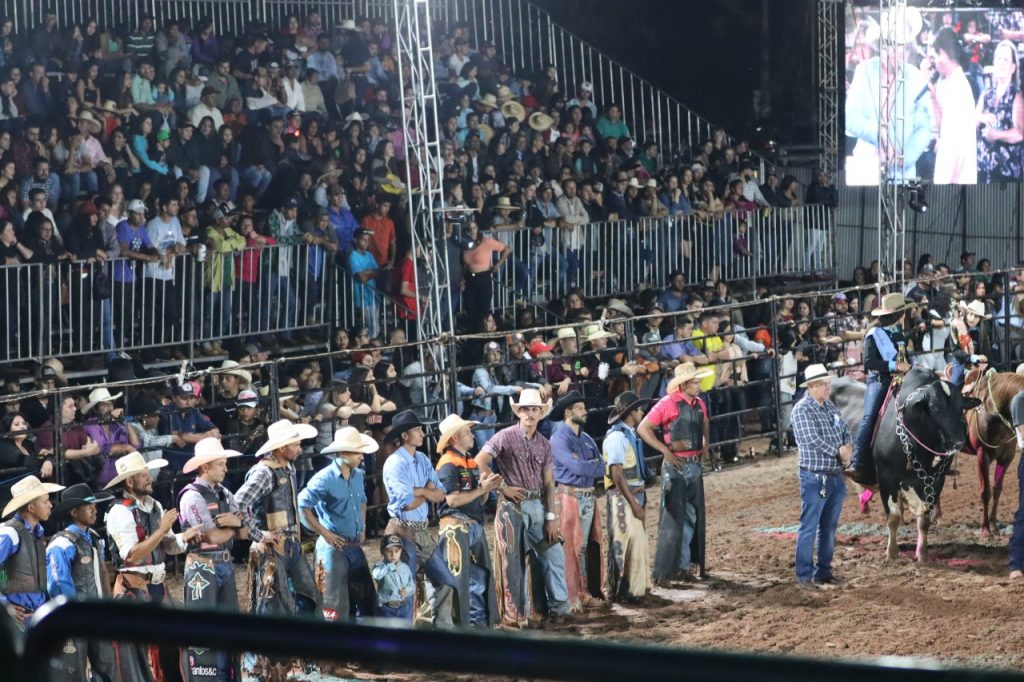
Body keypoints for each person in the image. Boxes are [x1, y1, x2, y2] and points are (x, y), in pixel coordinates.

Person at [476, 388, 571, 627]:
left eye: (534, 409)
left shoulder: (544, 444)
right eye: (525, 409)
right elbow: (480, 460)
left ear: (541, 413)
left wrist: (551, 517)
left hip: (537, 504)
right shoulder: (505, 436)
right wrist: (502, 488)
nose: (529, 413)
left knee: (553, 554)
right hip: (512, 506)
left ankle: (559, 607)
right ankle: (518, 615)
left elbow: (549, 483)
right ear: (518, 412)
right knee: (514, 562)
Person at [104, 451, 200, 682]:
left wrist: (185, 538)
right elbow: (132, 556)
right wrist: (161, 530)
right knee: (135, 653)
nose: (150, 478)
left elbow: (167, 545)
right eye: (144, 475)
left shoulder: (154, 506)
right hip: (133, 588)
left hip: (156, 586)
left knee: (172, 647)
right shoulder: (120, 511)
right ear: (130, 481)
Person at [235, 418, 320, 621]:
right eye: (295, 445)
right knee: (274, 597)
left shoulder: (287, 468)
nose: (299, 449)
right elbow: (239, 502)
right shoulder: (264, 472)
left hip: (289, 541)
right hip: (273, 545)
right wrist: (258, 534)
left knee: (307, 593)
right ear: (282, 448)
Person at [177, 437, 246, 682]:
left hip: (220, 562)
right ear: (205, 467)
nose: (226, 468)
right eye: (221, 464)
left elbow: (244, 530)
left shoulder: (223, 492)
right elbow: (212, 535)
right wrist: (235, 526)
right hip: (203, 566)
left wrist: (236, 526)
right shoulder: (191, 496)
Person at [638, 362, 713, 586]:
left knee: (689, 516)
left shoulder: (698, 404)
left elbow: (705, 423)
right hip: (678, 465)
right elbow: (644, 427)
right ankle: (666, 571)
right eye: (694, 382)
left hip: (691, 464)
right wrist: (665, 451)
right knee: (673, 518)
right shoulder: (667, 404)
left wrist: (705, 445)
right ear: (683, 385)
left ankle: (681, 566)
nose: (698, 386)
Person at [380, 409, 454, 626]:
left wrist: (419, 491)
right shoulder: (395, 463)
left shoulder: (421, 458)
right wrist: (426, 491)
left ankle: (437, 631)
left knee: (446, 581)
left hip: (419, 530)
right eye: (418, 430)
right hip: (401, 531)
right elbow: (408, 502)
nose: (423, 433)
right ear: (404, 435)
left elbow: (441, 495)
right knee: (403, 590)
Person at [298, 427, 377, 623]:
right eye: (357, 452)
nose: (361, 456)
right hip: (333, 548)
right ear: (343, 453)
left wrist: (363, 526)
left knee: (367, 601)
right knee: (334, 606)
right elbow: (302, 504)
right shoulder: (324, 478)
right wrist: (325, 534)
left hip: (352, 546)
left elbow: (362, 501)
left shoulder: (357, 475)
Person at [434, 414, 502, 627]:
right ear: (455, 438)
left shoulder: (469, 462)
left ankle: (475, 625)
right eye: (467, 432)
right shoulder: (448, 464)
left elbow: (477, 499)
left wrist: (484, 488)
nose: (472, 435)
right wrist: (483, 489)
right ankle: (468, 626)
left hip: (468, 525)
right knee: (464, 578)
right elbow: (452, 500)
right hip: (457, 527)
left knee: (474, 576)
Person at [45, 483, 118, 681]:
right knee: (72, 671)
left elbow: (102, 574)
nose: (95, 509)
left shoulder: (93, 538)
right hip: (75, 618)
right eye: (88, 506)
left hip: (96, 615)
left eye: (94, 505)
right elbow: (58, 583)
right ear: (74, 511)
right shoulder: (62, 543)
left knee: (106, 666)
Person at [791, 364, 851, 589]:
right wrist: (841, 451)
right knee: (811, 526)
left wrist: (848, 448)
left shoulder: (830, 408)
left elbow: (845, 430)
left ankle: (823, 571)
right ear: (812, 387)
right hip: (815, 477)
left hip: (833, 475)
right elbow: (812, 440)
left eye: (828, 384)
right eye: (824, 384)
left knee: (828, 527)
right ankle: (804, 575)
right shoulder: (801, 410)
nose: (828, 387)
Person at [847, 293, 911, 486]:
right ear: (898, 314)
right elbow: (869, 363)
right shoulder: (873, 335)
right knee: (870, 416)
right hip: (879, 380)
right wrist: (894, 367)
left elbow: (904, 358)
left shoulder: (898, 333)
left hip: (901, 378)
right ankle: (857, 461)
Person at [549, 390, 606, 611]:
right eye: (580, 408)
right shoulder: (559, 438)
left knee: (583, 546)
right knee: (573, 547)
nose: (585, 411)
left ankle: (580, 593)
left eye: (584, 407)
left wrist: (587, 466)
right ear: (568, 412)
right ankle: (575, 595)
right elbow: (580, 467)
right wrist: (589, 466)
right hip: (571, 496)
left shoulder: (585, 437)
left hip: (584, 495)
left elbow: (600, 465)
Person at [602, 391, 654, 602]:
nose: (642, 412)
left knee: (634, 542)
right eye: (639, 409)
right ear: (632, 412)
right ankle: (623, 591)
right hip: (624, 498)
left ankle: (633, 589)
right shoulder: (617, 437)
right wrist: (633, 504)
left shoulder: (627, 434)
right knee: (624, 543)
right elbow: (617, 473)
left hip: (631, 495)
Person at [0, 476, 64, 628]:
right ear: (31, 507)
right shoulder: (9, 533)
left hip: (35, 617)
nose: (50, 505)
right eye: (45, 501)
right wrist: (4, 605)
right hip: (16, 621)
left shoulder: (36, 533)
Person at [929, 27, 978, 184]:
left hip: (956, 178)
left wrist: (953, 183)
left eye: (935, 56)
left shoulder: (960, 87)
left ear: (943, 54)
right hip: (946, 170)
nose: (935, 62)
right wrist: (934, 100)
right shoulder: (949, 83)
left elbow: (963, 143)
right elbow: (942, 128)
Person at [977, 40, 1024, 183]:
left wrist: (995, 135)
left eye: (1006, 59)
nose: (1001, 63)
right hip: (983, 169)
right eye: (998, 58)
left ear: (1013, 67)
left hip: (1006, 175)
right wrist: (982, 117)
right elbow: (972, 121)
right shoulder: (986, 94)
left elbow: (1020, 134)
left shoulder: (1017, 96)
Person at [371, 534, 415, 619]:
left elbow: (411, 584)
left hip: (403, 608)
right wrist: (389, 566)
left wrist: (407, 590)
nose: (393, 555)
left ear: (401, 551)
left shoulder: (405, 568)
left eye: (396, 551)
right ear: (382, 552)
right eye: (389, 551)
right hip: (386, 609)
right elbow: (376, 575)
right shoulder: (380, 566)